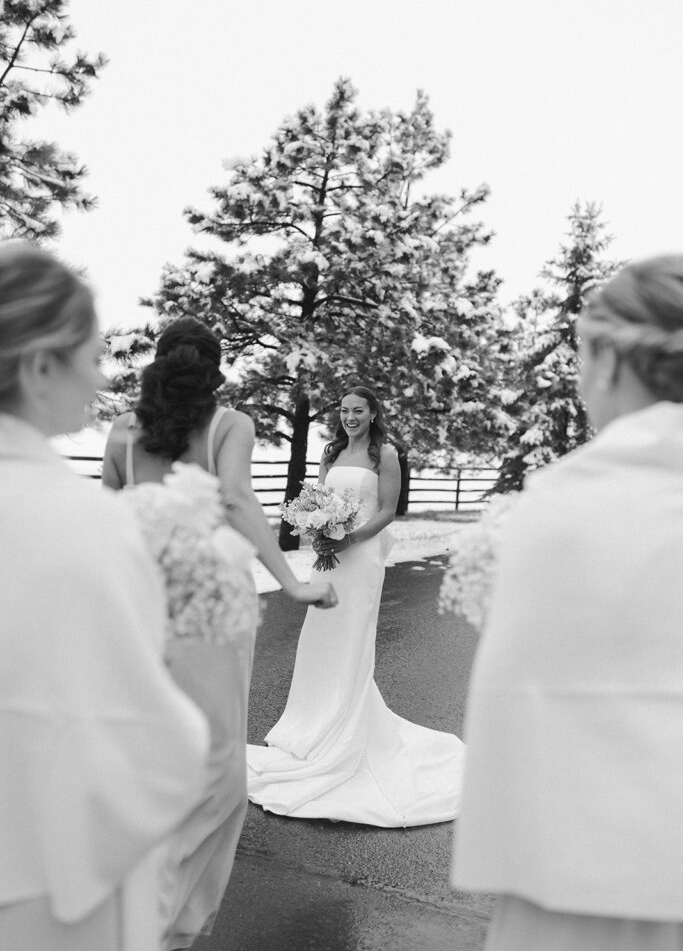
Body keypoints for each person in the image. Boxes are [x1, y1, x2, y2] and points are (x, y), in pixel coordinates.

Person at [452, 255, 683, 950]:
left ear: (609, 361)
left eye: (583, 358)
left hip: (582, 883)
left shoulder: (563, 508)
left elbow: (525, 697)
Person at [0, 243, 210, 951]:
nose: (99, 379)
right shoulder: (85, 525)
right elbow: (141, 732)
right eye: (91, 357)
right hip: (39, 884)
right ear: (39, 367)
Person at [102, 316, 336, 950]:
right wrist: (292, 582)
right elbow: (235, 498)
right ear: (214, 365)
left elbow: (109, 512)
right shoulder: (230, 425)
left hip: (140, 601)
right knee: (217, 768)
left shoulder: (122, 429)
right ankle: (160, 920)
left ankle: (127, 902)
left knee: (145, 754)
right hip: (209, 603)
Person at [247, 385, 465, 826]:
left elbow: (386, 511)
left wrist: (349, 538)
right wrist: (316, 528)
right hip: (328, 558)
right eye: (345, 410)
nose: (350, 417)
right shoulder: (331, 453)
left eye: (358, 410)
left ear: (372, 413)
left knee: (350, 640)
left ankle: (344, 732)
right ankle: (310, 725)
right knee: (320, 637)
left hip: (361, 558)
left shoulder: (385, 454)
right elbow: (318, 498)